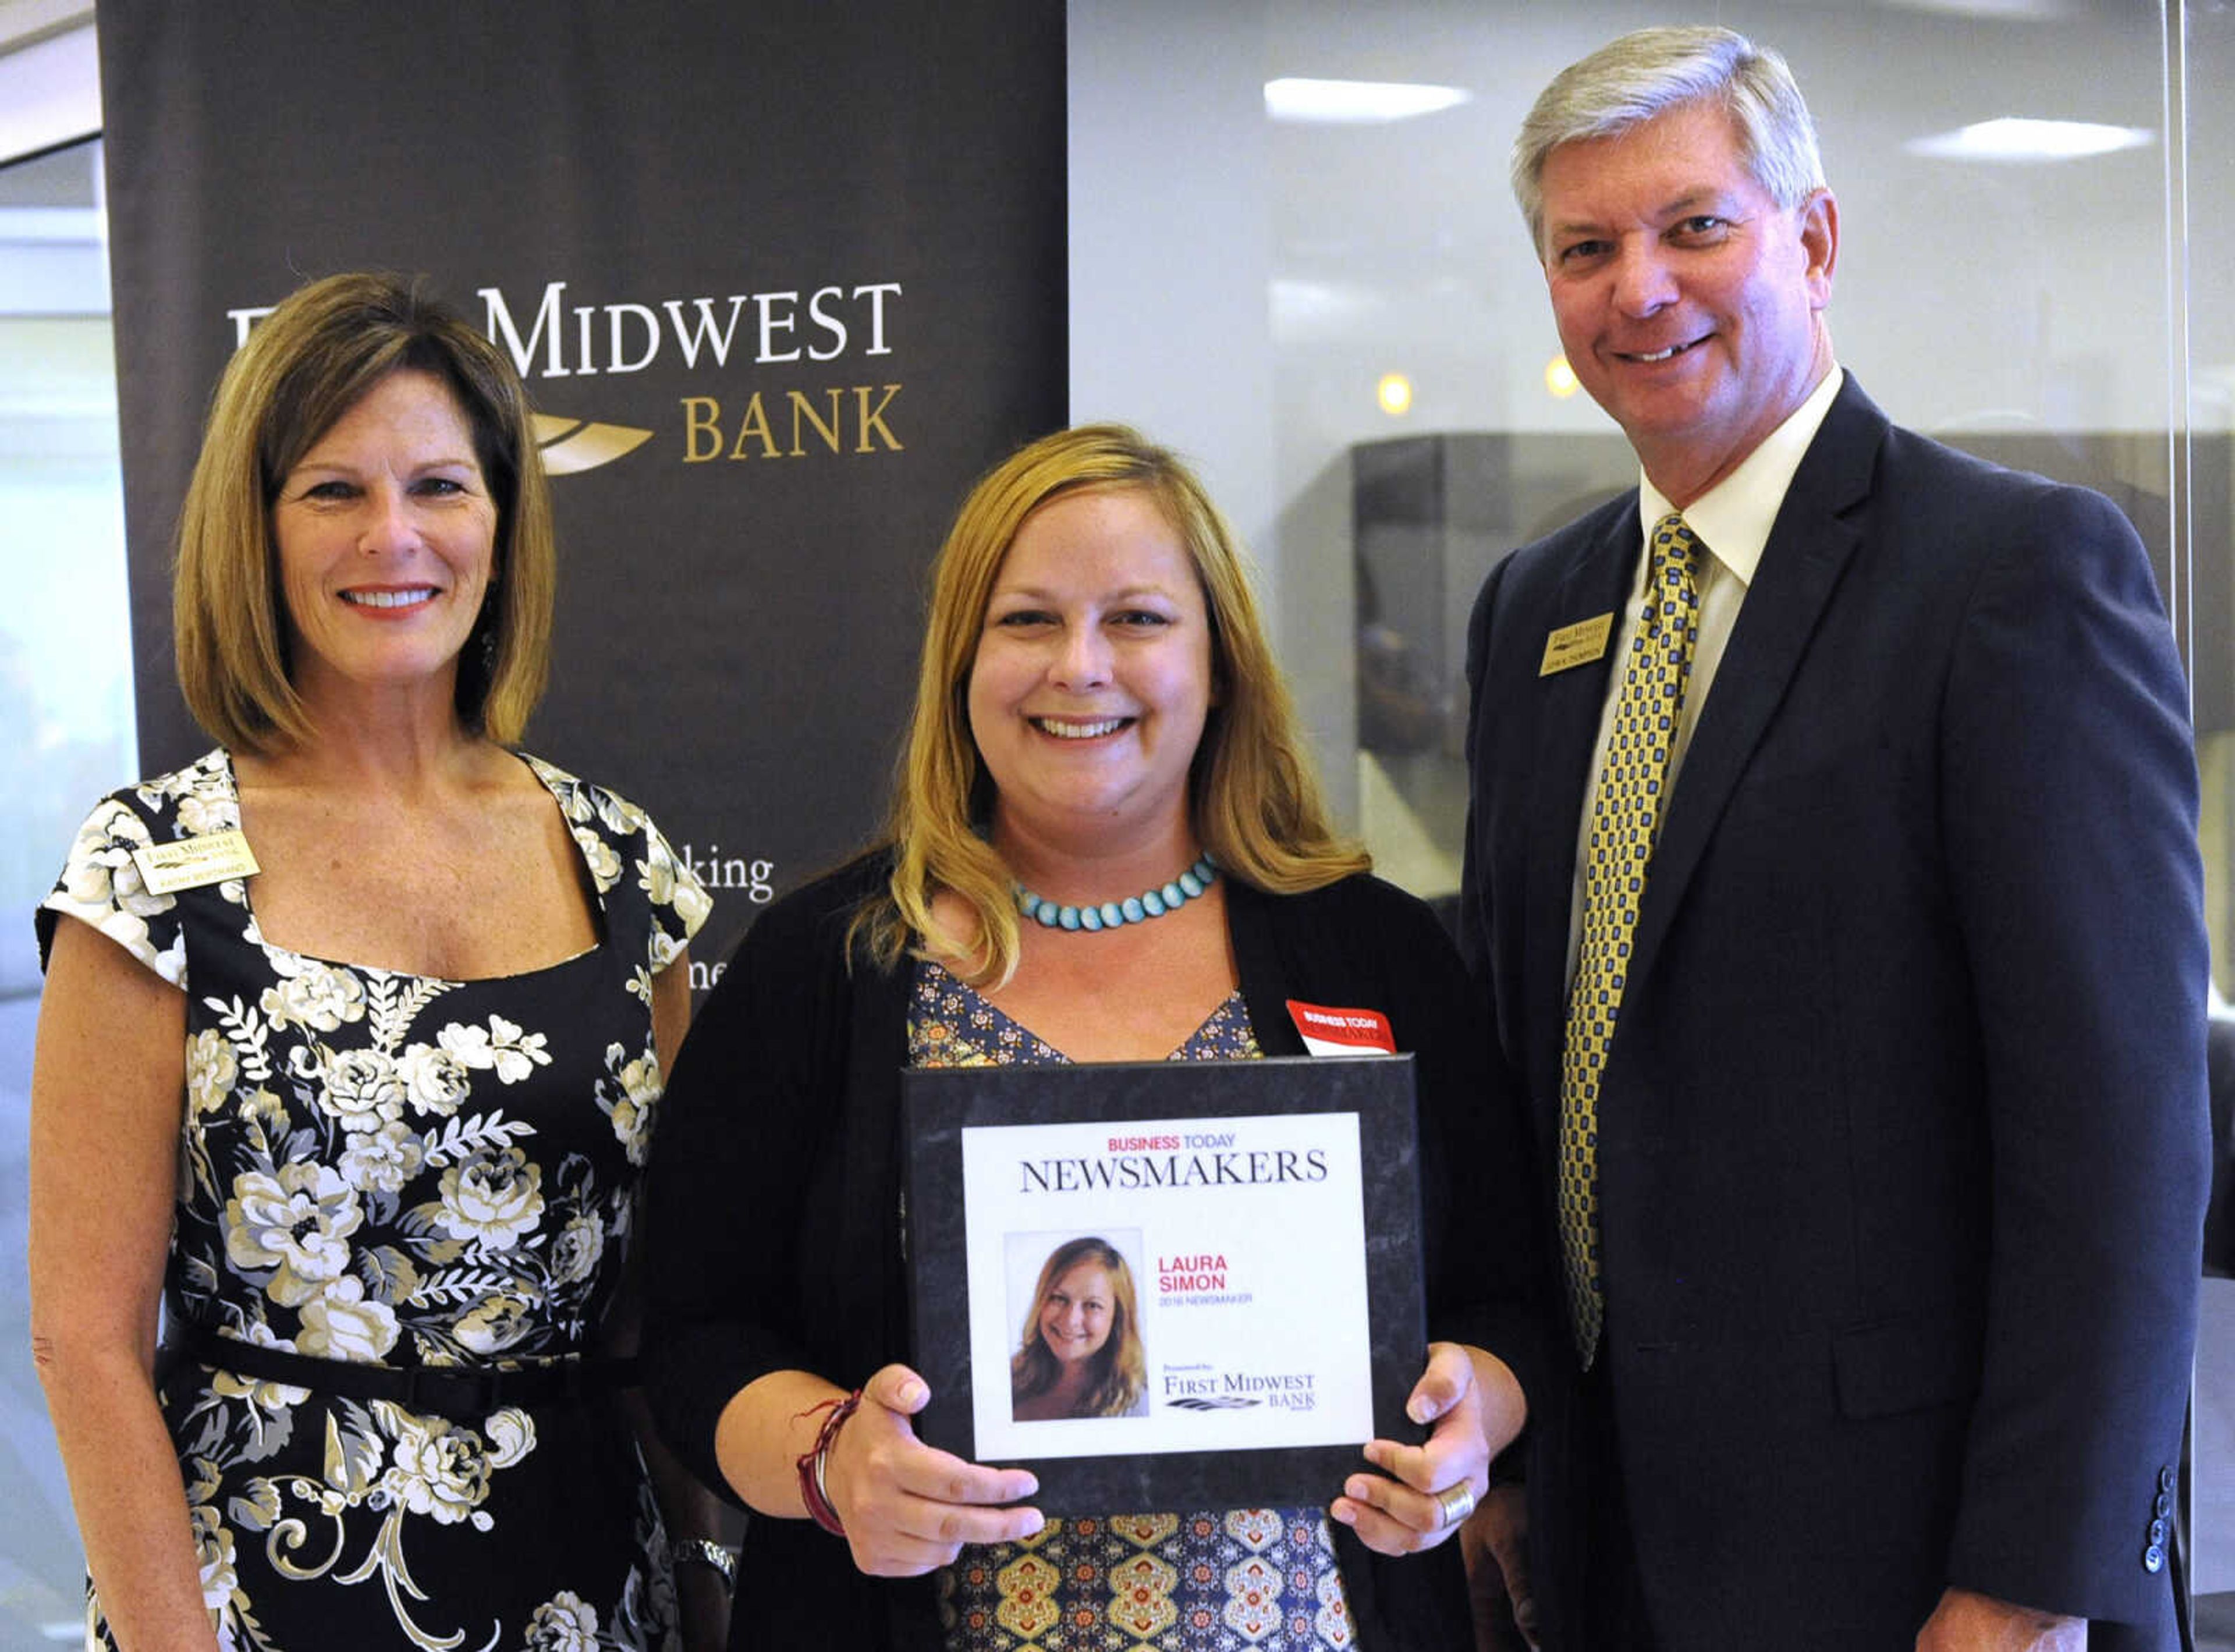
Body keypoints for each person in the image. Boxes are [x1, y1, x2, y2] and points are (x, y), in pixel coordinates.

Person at [1457, 26, 2209, 1652]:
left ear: (1814, 238)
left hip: (1920, 1553)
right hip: (1604, 1535)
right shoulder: (1537, 611)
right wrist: (1506, 1450)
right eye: (1586, 249)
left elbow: (2122, 1132)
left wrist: (2035, 1569)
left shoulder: (2012, 576)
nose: (1638, 287)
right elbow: (1526, 1063)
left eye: (1694, 227)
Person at [641, 423, 1542, 1650]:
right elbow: (693, 1333)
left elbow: (1513, 1295)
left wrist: (1470, 1416)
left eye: (1137, 619)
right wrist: (828, 1462)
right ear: (961, 661)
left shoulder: (1374, 953)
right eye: (1026, 621)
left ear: (1219, 660)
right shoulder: (826, 964)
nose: (1080, 667)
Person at [29, 271, 730, 1651]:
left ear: (503, 521)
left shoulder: (619, 862)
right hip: (258, 1595)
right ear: (260, 528)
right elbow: (83, 1343)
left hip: (590, 1586)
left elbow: (676, 1298)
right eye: (334, 491)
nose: (393, 536)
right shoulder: (155, 864)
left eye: (439, 487)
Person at [1009, 1235, 1147, 1422]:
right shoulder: (1010, 1375)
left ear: (1118, 1318)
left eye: (1092, 1305)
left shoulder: (1140, 1407)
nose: (1070, 1320)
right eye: (1059, 1298)